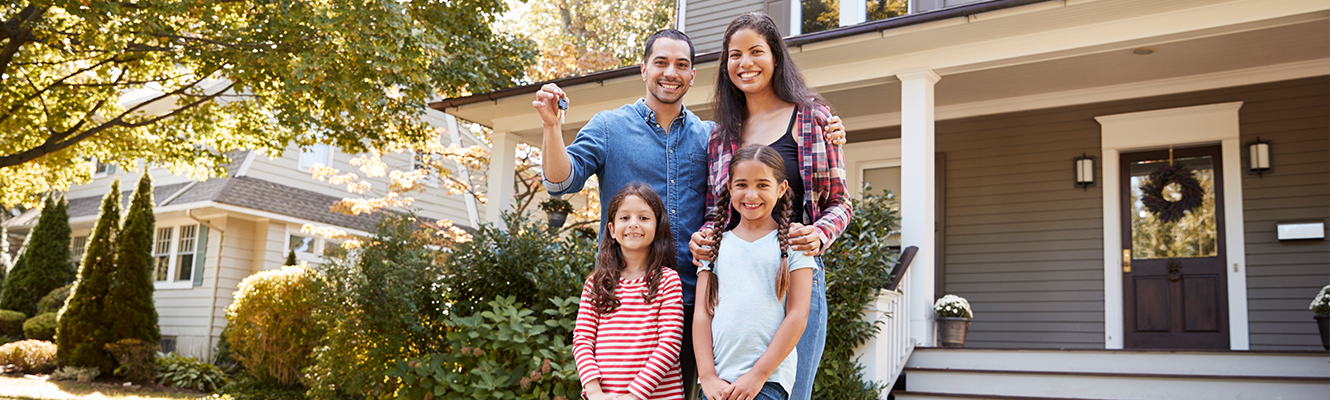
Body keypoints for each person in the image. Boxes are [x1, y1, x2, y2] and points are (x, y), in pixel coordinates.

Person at [532, 28, 846, 399]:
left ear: (693, 75)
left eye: (682, 64)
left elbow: (759, 179)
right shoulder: (610, 127)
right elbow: (560, 181)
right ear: (644, 69)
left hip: (707, 296)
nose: (671, 72)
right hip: (634, 300)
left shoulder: (710, 135)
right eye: (661, 62)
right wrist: (552, 128)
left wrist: (829, 133)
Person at [688, 13, 852, 400]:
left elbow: (840, 202)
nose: (745, 63)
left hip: (793, 276)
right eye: (735, 55)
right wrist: (703, 239)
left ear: (775, 56)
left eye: (756, 52)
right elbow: (717, 215)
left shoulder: (813, 119)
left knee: (791, 392)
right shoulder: (720, 136)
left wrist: (817, 233)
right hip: (734, 283)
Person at [694, 144, 816, 400]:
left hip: (767, 382)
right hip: (719, 384)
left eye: (762, 185)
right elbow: (702, 315)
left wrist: (757, 375)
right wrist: (707, 377)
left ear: (781, 189)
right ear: (728, 186)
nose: (751, 195)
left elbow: (797, 316)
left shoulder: (795, 244)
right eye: (742, 185)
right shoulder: (714, 246)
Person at [573, 183, 685, 400]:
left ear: (657, 227)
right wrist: (594, 391)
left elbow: (669, 343)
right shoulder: (596, 284)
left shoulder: (668, 281)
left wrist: (633, 396)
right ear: (612, 230)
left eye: (644, 218)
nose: (634, 224)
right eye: (625, 218)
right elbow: (582, 339)